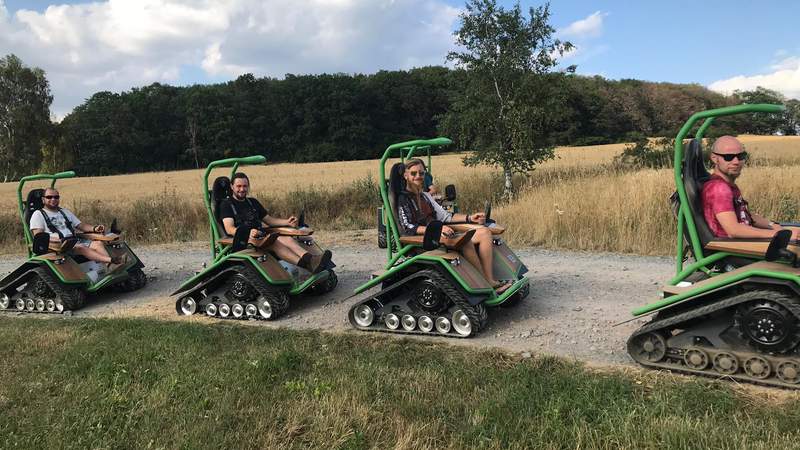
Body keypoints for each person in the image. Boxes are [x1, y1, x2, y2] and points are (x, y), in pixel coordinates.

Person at [397, 158, 512, 293]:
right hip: (423, 240)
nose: (418, 176)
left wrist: (470, 218)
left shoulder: (425, 196)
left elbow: (446, 217)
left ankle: (489, 278)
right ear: (406, 175)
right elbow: (408, 226)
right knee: (466, 242)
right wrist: (435, 229)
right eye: (413, 173)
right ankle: (485, 285)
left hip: (439, 234)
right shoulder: (403, 199)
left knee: (485, 232)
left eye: (421, 173)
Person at [219, 172, 332, 273]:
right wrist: (248, 233)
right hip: (244, 240)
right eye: (238, 186)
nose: (242, 189)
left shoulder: (252, 202)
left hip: (261, 236)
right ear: (232, 186)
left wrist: (287, 222)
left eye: (245, 186)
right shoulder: (226, 205)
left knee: (286, 238)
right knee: (275, 243)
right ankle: (307, 265)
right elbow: (229, 228)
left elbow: (269, 220)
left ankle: (311, 260)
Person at [702, 135, 799, 240]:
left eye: (741, 156)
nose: (736, 162)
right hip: (732, 248)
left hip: (744, 242)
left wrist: (773, 225)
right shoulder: (719, 188)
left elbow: (745, 214)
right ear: (714, 158)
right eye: (728, 157)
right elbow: (733, 230)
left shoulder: (728, 185)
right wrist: (779, 234)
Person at [29, 188, 128, 272]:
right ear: (43, 199)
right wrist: (56, 241)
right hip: (57, 246)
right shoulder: (38, 215)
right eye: (49, 197)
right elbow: (38, 236)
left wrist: (94, 228)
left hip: (73, 241)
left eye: (56, 197)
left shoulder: (64, 212)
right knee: (81, 247)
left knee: (98, 243)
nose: (53, 199)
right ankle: (113, 260)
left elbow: (81, 225)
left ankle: (110, 266)